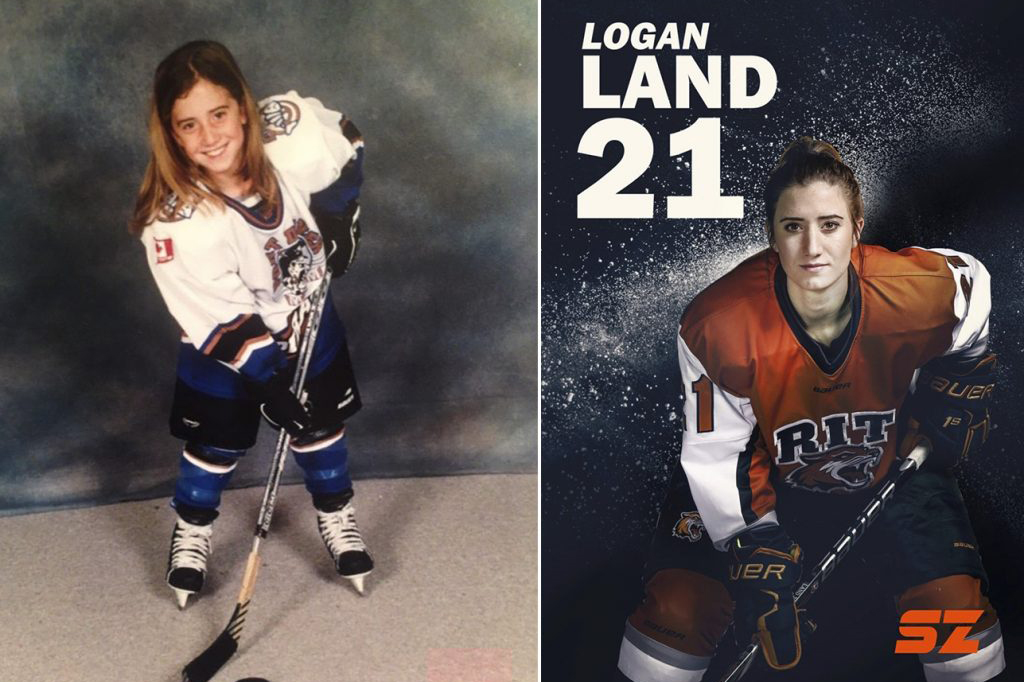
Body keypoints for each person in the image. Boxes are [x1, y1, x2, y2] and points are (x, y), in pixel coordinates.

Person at [617, 138, 1002, 682]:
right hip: (755, 478)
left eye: (830, 224)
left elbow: (975, 289)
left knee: (957, 631)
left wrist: (964, 380)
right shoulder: (719, 322)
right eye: (793, 226)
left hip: (888, 466)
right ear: (771, 234)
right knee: (675, 618)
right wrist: (753, 541)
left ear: (857, 226)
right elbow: (718, 451)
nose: (812, 247)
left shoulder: (916, 290)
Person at [130, 40, 371, 608]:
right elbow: (217, 314)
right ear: (171, 133)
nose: (210, 136)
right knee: (216, 443)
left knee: (319, 428)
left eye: (218, 114)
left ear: (242, 107)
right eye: (188, 125)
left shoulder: (283, 138)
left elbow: (346, 140)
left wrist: (338, 217)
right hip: (228, 348)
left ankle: (337, 516)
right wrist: (267, 381)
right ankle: (192, 527)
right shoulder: (179, 220)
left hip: (310, 317)